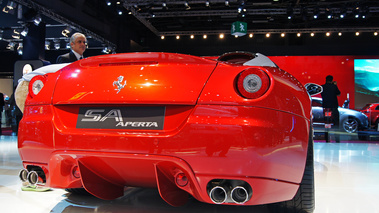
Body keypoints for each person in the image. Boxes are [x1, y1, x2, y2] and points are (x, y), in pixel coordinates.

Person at [321, 75, 341, 142]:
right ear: (332, 80)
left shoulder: (322, 87)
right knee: (336, 123)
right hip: (334, 107)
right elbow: (338, 94)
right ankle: (337, 139)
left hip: (326, 107)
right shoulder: (334, 87)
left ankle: (327, 139)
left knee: (327, 123)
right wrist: (335, 85)